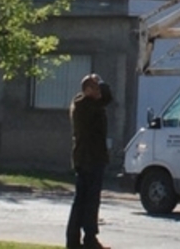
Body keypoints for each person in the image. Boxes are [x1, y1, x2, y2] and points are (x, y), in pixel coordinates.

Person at [66, 73, 113, 249]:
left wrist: (99, 82)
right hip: (88, 159)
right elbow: (107, 98)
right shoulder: (84, 106)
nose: (99, 91)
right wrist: (101, 81)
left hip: (92, 158)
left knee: (88, 201)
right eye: (95, 87)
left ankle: (86, 239)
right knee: (85, 201)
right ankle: (80, 240)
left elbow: (106, 98)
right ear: (87, 90)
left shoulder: (90, 104)